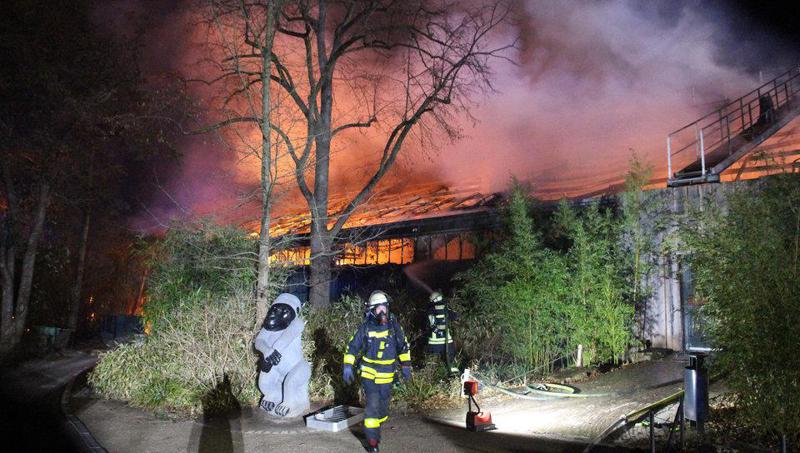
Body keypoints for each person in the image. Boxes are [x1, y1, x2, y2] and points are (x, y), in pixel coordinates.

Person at [343, 290, 412, 452]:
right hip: (369, 374)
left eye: (384, 308)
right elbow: (352, 347)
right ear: (371, 311)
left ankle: (375, 424)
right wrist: (347, 365)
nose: (382, 312)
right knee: (372, 407)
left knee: (382, 409)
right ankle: (372, 442)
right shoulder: (365, 328)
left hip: (387, 375)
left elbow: (403, 347)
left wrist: (406, 366)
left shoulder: (395, 328)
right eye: (378, 309)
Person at [425, 291, 459, 375]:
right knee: (451, 357)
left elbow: (430, 324)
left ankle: (433, 376)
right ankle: (453, 375)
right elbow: (455, 316)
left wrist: (437, 331)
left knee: (433, 361)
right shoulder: (445, 308)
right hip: (447, 340)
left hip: (434, 342)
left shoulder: (430, 310)